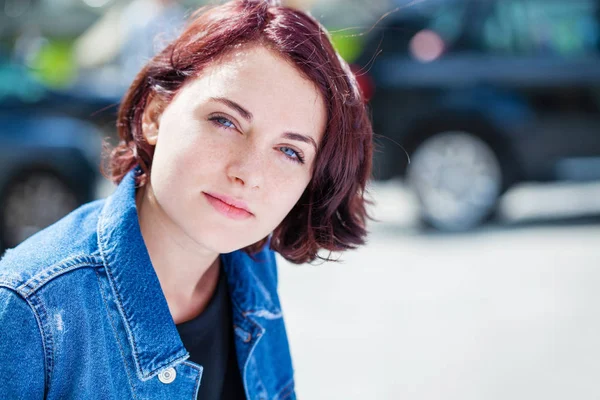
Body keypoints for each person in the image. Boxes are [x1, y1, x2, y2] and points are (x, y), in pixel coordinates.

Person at [0, 0, 373, 399]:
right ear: (156, 114)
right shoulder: (30, 311)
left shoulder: (252, 265)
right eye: (225, 121)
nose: (247, 173)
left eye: (289, 151)